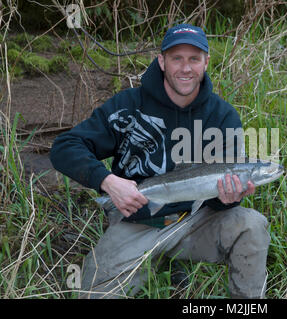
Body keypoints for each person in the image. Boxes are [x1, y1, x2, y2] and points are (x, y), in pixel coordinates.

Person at [50, 23, 270, 299]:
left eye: (194, 59)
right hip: (138, 219)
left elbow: (219, 195)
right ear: (162, 61)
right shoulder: (128, 105)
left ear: (206, 63)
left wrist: (229, 198)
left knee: (252, 224)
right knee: (92, 295)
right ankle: (160, 261)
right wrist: (107, 181)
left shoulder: (223, 117)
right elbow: (64, 147)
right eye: (177, 58)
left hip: (196, 219)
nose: (186, 68)